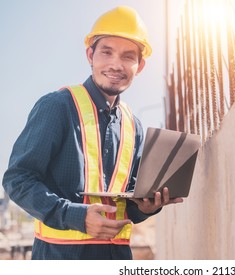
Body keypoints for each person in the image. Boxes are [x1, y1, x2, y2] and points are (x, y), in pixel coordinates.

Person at [2, 5, 183, 260]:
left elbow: (127, 205)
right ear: (90, 55)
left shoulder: (134, 126)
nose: (116, 64)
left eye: (128, 57)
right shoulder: (57, 106)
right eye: (106, 52)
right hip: (60, 259)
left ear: (139, 66)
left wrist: (146, 207)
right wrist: (76, 216)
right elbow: (18, 180)